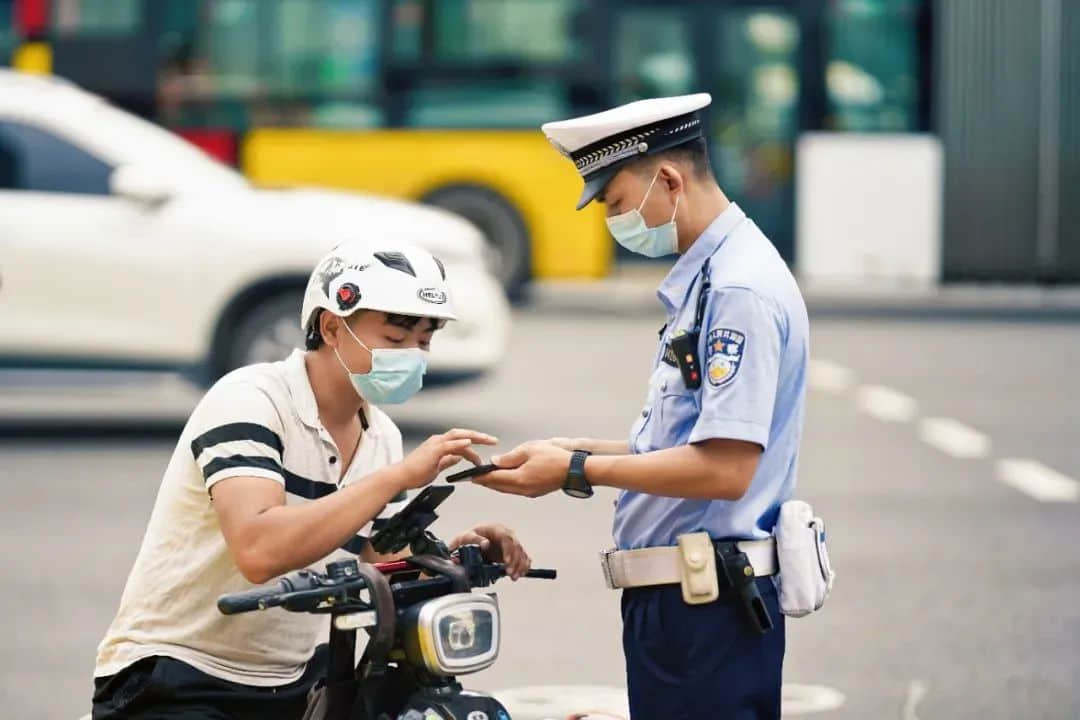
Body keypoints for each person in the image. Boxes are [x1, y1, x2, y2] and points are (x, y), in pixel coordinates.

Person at [470, 94, 810, 719]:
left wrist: (576, 472)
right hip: (688, 606)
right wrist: (571, 451)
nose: (613, 222)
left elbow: (724, 470)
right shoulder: (711, 279)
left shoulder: (736, 290)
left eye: (617, 204)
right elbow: (686, 444)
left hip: (706, 610)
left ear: (670, 180)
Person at [92, 240, 531, 719]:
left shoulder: (380, 434)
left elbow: (380, 558)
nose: (414, 354)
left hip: (300, 683)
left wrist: (453, 555)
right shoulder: (250, 401)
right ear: (331, 327)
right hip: (180, 675)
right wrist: (397, 477)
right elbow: (259, 551)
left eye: (425, 341)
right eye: (396, 337)